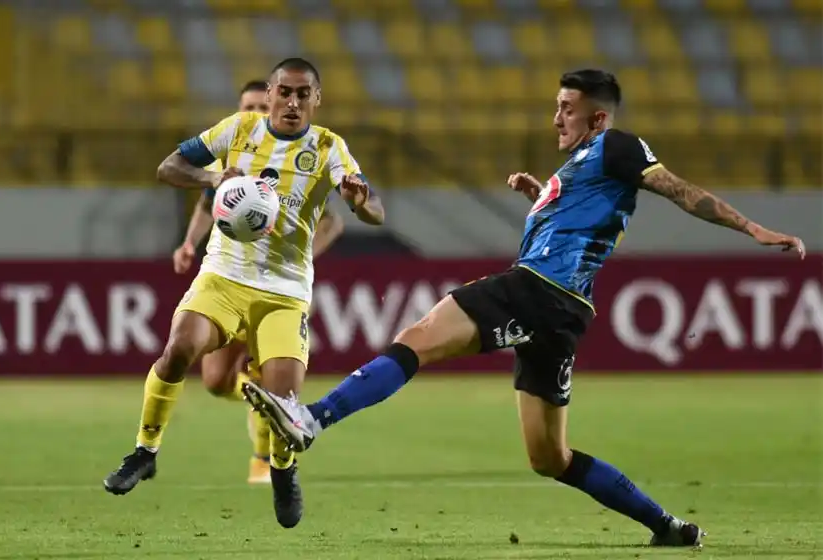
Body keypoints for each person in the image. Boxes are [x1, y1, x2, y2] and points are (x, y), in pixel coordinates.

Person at [244, 69, 806, 545]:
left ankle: (314, 417)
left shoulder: (617, 147)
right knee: (549, 456)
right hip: (561, 312)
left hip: (539, 289)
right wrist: (538, 195)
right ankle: (667, 526)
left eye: (566, 108)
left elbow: (680, 190)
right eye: (556, 107)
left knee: (418, 338)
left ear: (599, 118)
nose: (556, 117)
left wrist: (750, 227)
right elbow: (588, 221)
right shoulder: (585, 162)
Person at [103, 57, 385, 531]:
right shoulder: (238, 130)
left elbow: (375, 209)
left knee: (285, 398)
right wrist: (215, 179)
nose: (292, 103)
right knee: (178, 350)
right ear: (270, 93)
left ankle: (281, 471)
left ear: (316, 100)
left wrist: (362, 202)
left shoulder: (329, 147)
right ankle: (144, 451)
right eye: (285, 92)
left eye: (303, 94)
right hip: (224, 278)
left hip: (284, 292)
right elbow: (168, 167)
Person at [171, 79, 345, 485]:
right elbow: (207, 205)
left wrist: (304, 255)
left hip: (278, 286)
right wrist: (188, 244)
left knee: (269, 374)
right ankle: (260, 403)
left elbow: (332, 220)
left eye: (257, 106)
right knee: (216, 381)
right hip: (232, 278)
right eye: (245, 106)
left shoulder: (297, 161)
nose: (253, 113)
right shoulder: (231, 153)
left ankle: (263, 459)